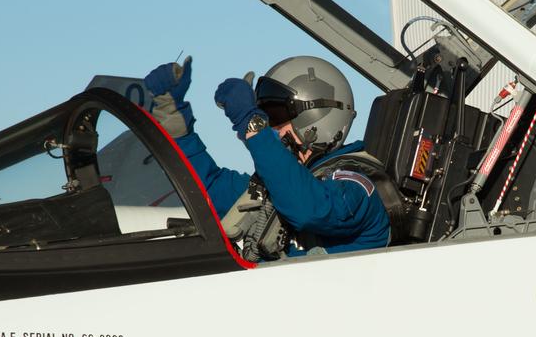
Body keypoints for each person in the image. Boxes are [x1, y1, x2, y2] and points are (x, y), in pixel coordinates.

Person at [142, 55, 391, 260]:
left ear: (317, 118)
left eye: (275, 116)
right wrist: (176, 128)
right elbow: (207, 191)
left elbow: (309, 209)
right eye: (264, 117)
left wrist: (251, 123)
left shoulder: (359, 190)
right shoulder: (277, 189)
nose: (269, 127)